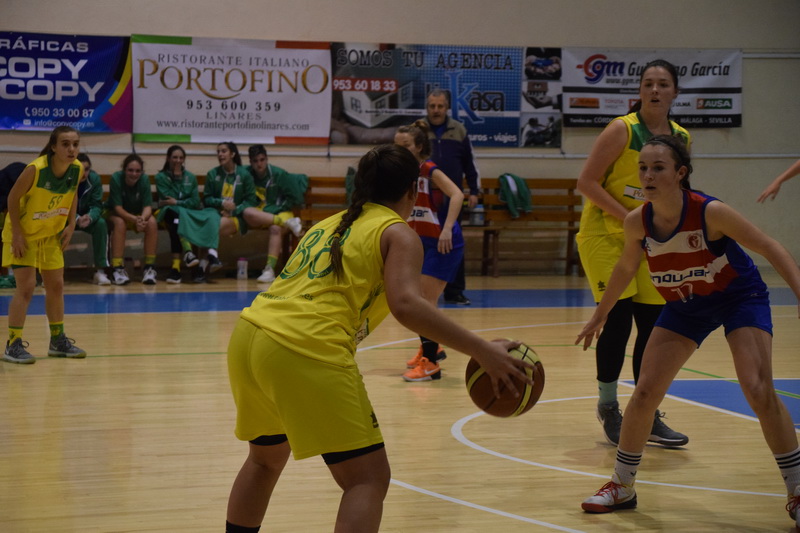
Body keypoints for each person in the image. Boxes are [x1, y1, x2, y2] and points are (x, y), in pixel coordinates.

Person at [225, 144, 535, 533]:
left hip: (250, 336)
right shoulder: (397, 232)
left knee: (264, 461)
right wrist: (482, 350)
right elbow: (407, 304)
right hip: (304, 346)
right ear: (413, 190)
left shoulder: (329, 224)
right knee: (367, 479)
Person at [576, 135, 800, 527]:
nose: (647, 175)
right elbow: (626, 267)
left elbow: (770, 246)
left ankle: (797, 490)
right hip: (686, 305)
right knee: (645, 392)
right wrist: (600, 314)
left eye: (658, 168)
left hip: (738, 297)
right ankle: (622, 485)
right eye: (643, 168)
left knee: (757, 388)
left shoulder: (711, 212)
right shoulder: (637, 221)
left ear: (680, 173)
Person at [575, 59, 689, 447]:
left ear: (675, 92)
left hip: (651, 238)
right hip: (605, 235)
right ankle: (608, 406)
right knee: (618, 320)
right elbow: (586, 182)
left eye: (663, 84)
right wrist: (629, 218)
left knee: (654, 326)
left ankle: (646, 410)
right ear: (639, 91)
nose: (655, 90)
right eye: (648, 83)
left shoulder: (681, 138)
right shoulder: (621, 129)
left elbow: (680, 190)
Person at [2, 126, 87, 364]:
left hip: (50, 233)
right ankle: (13, 344)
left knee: (56, 285)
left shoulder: (77, 168)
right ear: (53, 147)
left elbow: (73, 194)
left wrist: (71, 224)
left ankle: (57, 340)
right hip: (24, 233)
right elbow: (12, 198)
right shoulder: (36, 169)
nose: (71, 149)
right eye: (65, 144)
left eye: (75, 144)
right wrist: (17, 234)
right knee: (26, 287)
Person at [394, 120, 465, 382]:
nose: (399, 150)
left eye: (405, 146)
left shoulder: (428, 169)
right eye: (396, 145)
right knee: (419, 300)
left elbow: (457, 195)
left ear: (419, 147)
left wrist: (446, 229)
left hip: (443, 241)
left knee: (424, 302)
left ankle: (431, 364)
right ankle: (432, 348)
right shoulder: (404, 173)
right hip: (422, 241)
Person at [424, 89, 480, 305]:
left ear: (447, 107)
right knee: (422, 243)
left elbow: (469, 163)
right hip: (425, 198)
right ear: (427, 107)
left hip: (452, 199)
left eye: (440, 106)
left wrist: (474, 190)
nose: (436, 110)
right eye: (432, 106)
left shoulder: (459, 130)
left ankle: (455, 292)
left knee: (453, 240)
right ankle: (421, 291)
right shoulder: (418, 130)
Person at [154, 145, 220, 284]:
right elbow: (167, 199)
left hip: (187, 213)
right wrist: (176, 179)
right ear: (168, 158)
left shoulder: (190, 177)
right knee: (175, 218)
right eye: (174, 157)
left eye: (181, 158)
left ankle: (177, 268)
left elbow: (195, 201)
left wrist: (178, 202)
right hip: (168, 212)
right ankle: (187, 253)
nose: (178, 160)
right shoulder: (161, 177)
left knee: (183, 220)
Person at [241, 144, 305, 283]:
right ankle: (287, 223)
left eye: (262, 160)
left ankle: (269, 270)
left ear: (267, 159)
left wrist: (278, 208)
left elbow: (296, 198)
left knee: (275, 228)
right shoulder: (246, 174)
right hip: (261, 214)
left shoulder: (279, 174)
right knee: (247, 212)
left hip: (281, 212)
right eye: (255, 161)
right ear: (250, 162)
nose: (259, 164)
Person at [203, 142, 257, 280]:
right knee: (210, 223)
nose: (220, 154)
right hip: (216, 213)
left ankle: (204, 264)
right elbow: (207, 199)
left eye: (224, 151)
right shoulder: (213, 174)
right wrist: (221, 203)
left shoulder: (244, 175)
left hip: (237, 216)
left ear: (232, 154)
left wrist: (234, 210)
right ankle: (209, 259)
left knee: (214, 225)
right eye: (218, 152)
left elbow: (251, 201)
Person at [107, 154, 158, 285]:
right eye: (130, 170)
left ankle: (149, 268)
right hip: (116, 214)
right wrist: (136, 220)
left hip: (137, 215)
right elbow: (118, 208)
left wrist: (142, 219)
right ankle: (117, 268)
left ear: (141, 172)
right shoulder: (116, 178)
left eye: (137, 171)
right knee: (120, 223)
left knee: (152, 222)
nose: (134, 174)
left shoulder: (144, 179)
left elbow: (147, 206)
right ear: (124, 170)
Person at [75, 154, 111, 285]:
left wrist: (89, 217)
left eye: (86, 169)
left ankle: (100, 271)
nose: (84, 173)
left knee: (100, 224)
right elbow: (60, 205)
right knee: (53, 225)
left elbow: (97, 205)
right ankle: (52, 272)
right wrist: (76, 218)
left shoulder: (94, 179)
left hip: (86, 218)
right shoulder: (64, 179)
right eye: (80, 169)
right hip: (65, 218)